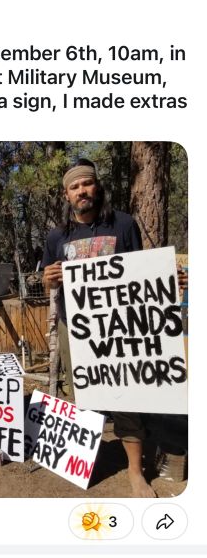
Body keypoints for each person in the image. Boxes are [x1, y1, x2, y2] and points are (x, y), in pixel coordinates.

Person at [42, 157, 182, 498]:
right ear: (66, 195)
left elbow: (141, 272)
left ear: (97, 187)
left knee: (127, 395)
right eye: (74, 187)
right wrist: (47, 278)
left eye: (86, 184)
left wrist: (169, 277)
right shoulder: (57, 236)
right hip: (74, 327)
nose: (81, 191)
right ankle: (86, 461)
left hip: (120, 328)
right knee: (84, 396)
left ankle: (136, 472)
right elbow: (49, 281)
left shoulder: (123, 224)